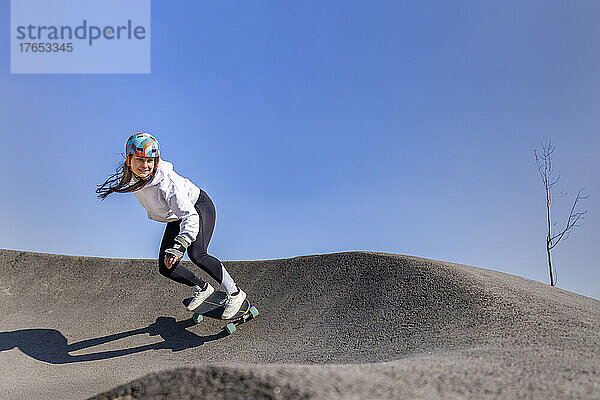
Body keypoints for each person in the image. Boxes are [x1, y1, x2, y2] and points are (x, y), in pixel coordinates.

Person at [96, 132, 247, 318]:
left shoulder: (166, 182)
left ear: (156, 161)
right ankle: (203, 288)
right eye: (139, 160)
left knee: (197, 254)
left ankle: (235, 293)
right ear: (129, 160)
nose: (145, 166)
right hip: (176, 217)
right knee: (165, 267)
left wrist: (180, 245)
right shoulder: (131, 176)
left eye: (150, 161)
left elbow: (190, 216)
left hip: (197, 207)